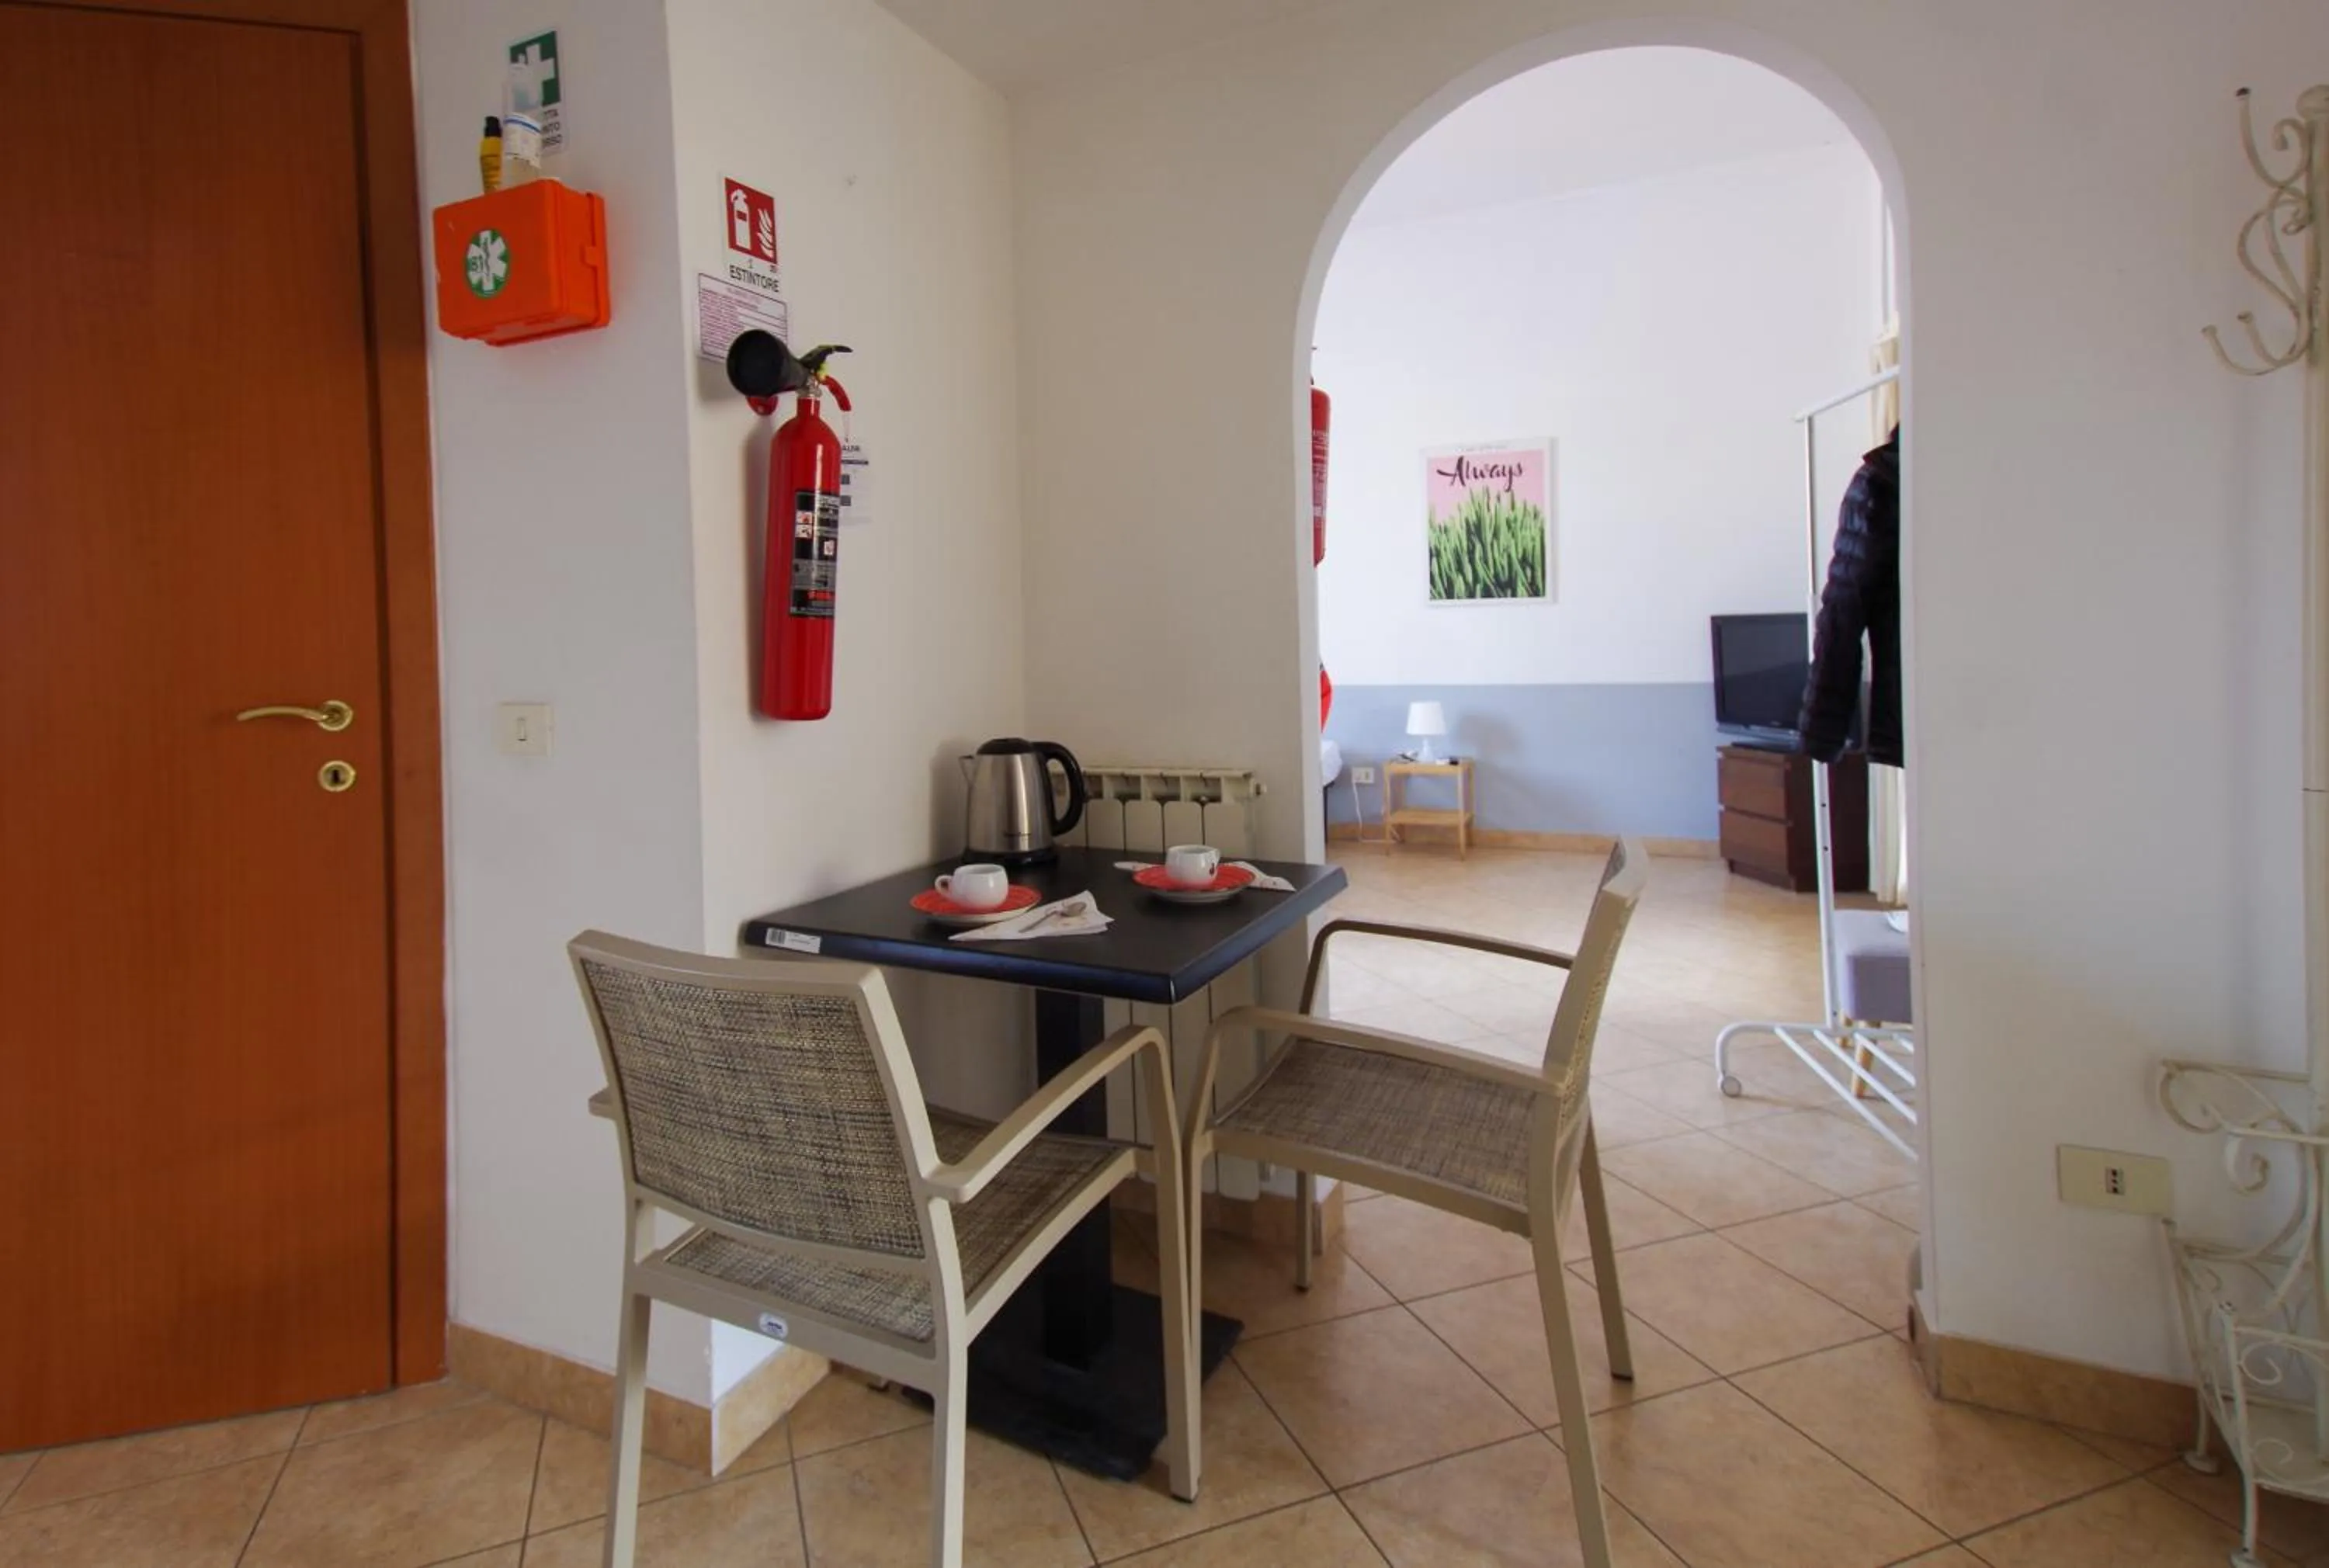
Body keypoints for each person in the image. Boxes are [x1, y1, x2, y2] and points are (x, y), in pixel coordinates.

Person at [1799, 427, 1901, 768]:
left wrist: (1820, 733)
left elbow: (1842, 613)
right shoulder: (1886, 479)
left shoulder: (1884, 477)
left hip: (1922, 704)